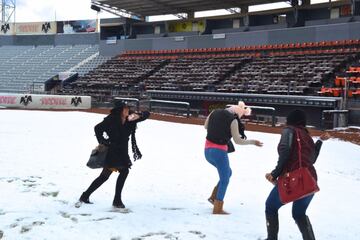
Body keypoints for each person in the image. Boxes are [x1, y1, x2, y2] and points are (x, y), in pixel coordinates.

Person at [264, 109, 330, 240]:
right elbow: (312, 159)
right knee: (299, 214)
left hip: (293, 179)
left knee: (270, 206)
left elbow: (285, 152)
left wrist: (275, 173)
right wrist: (320, 141)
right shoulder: (306, 135)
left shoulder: (289, 131)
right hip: (309, 180)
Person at [79, 100, 150, 208]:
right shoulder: (111, 119)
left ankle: (85, 196)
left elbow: (146, 114)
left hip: (122, 152)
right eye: (125, 108)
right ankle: (116, 200)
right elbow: (97, 128)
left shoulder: (129, 118)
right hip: (113, 151)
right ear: (120, 110)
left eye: (127, 108)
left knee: (104, 176)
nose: (128, 110)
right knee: (123, 171)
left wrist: (138, 115)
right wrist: (103, 141)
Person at [204, 101, 263, 214]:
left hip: (207, 151)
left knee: (228, 173)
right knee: (225, 178)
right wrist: (253, 142)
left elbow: (206, 126)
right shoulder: (233, 120)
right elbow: (238, 141)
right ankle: (217, 207)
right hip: (219, 153)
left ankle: (213, 197)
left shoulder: (214, 112)